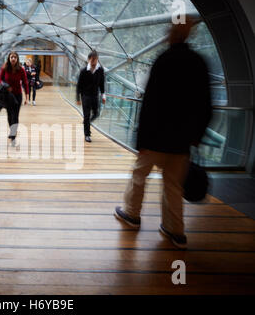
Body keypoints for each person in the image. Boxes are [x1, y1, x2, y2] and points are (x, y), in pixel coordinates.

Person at [114, 17, 212, 249]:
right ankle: (175, 231)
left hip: (156, 138)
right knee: (173, 186)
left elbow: (150, 103)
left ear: (173, 35)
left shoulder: (164, 60)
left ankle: (132, 214)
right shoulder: (199, 62)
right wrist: (195, 137)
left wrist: (141, 140)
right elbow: (205, 105)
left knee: (139, 177)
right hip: (182, 142)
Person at [0, 51, 29, 147]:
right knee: (9, 115)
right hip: (8, 96)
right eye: (12, 57)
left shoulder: (21, 69)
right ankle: (12, 131)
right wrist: (4, 85)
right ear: (9, 58)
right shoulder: (5, 68)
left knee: (15, 116)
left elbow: (25, 83)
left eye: (15, 57)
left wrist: (27, 97)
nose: (13, 59)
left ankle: (13, 137)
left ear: (17, 59)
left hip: (17, 96)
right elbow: (0, 79)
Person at [76, 50, 106, 143]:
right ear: (88, 59)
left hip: (95, 96)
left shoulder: (100, 70)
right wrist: (78, 98)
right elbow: (79, 85)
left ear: (97, 59)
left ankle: (86, 122)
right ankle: (87, 134)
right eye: (92, 60)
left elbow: (102, 84)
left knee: (96, 113)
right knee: (87, 115)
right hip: (85, 96)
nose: (94, 62)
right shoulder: (84, 71)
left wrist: (103, 95)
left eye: (95, 59)